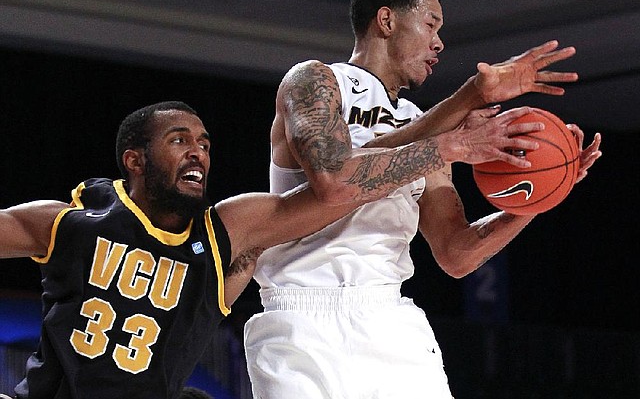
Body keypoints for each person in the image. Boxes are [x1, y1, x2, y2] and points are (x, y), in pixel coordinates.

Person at [242, 0, 603, 398]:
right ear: (387, 20)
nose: (439, 42)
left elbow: (457, 253)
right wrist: (459, 122)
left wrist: (538, 197)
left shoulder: (424, 124)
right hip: (302, 314)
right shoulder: (317, 81)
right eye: (431, 24)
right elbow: (335, 180)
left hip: (388, 318)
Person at [1, 100, 460, 399]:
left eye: (204, 143)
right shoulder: (73, 224)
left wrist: (446, 145)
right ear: (134, 160)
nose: (198, 152)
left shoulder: (228, 232)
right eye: (179, 140)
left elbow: (338, 188)